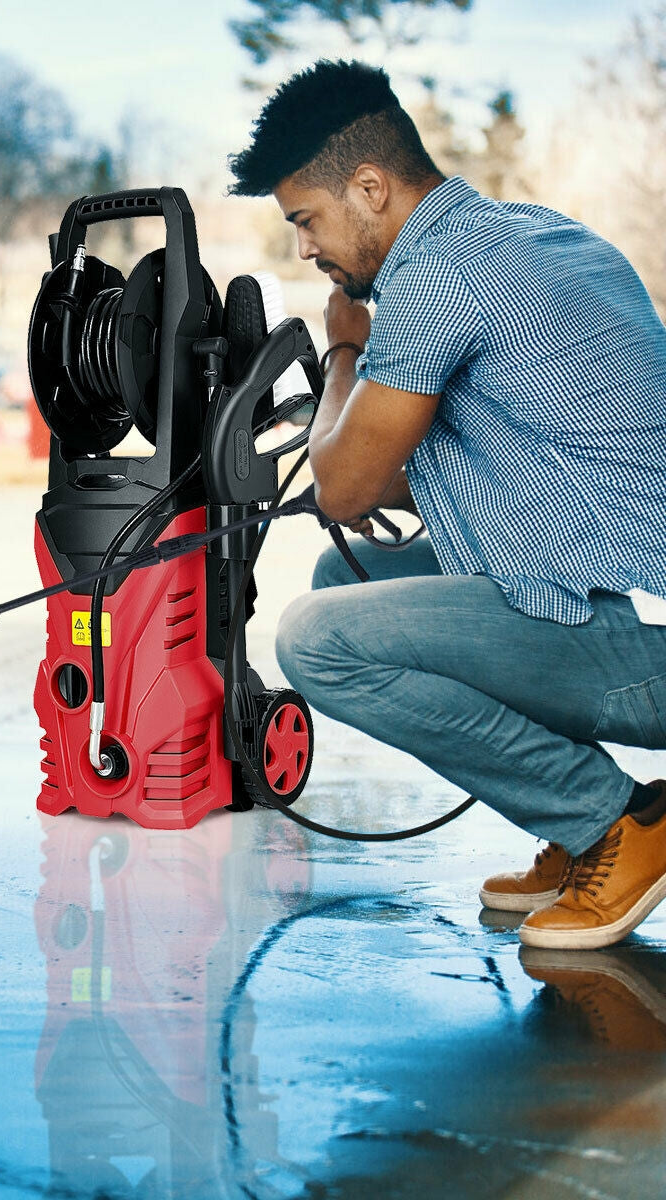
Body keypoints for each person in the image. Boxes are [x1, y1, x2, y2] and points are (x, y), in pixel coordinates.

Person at [228, 58, 666, 951]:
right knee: (338, 581)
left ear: (369, 187)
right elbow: (388, 474)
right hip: (611, 594)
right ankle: (583, 827)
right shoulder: (526, 235)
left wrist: (343, 351)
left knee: (317, 637)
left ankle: (618, 823)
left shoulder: (436, 279)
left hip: (642, 638)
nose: (307, 249)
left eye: (306, 221)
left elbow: (345, 489)